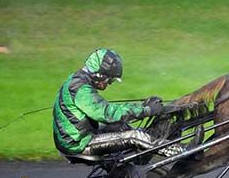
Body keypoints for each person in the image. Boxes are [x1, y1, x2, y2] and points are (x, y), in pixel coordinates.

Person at [52, 48, 183, 158]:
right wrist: (147, 110)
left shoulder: (78, 81)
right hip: (78, 144)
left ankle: (128, 168)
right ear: (100, 75)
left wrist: (142, 106)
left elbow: (109, 111)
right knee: (134, 136)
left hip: (80, 137)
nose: (109, 84)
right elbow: (108, 114)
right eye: (110, 80)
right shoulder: (80, 88)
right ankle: (180, 152)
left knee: (122, 127)